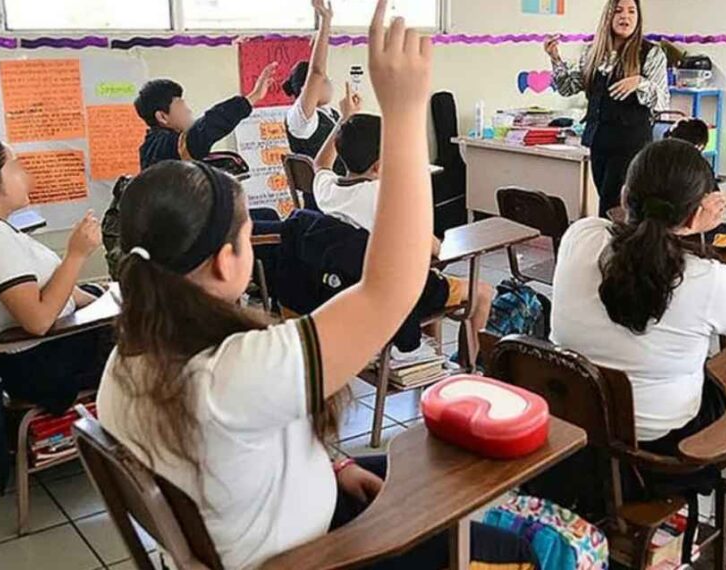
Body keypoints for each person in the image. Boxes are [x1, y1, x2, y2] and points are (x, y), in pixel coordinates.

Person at [96, 4, 536, 568]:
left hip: (285, 514)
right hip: (316, 554)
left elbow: (242, 450)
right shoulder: (234, 372)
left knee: (418, 467)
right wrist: (404, 111)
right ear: (224, 262)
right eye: (248, 236)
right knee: (526, 547)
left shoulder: (125, 360)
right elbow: (393, 287)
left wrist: (331, 467)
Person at [551, 139, 726, 555]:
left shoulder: (579, 235)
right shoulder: (707, 278)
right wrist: (702, 233)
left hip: (573, 428)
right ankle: (725, 526)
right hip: (660, 452)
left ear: (624, 196)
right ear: (697, 213)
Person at [0, 135, 109, 414]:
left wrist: (106, 297)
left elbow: (56, 288)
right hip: (46, 365)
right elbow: (38, 321)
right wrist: (77, 255)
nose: (26, 176)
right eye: (15, 168)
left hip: (57, 349)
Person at [311, 89, 496, 350]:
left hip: (349, 289)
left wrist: (345, 120)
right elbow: (435, 249)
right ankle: (470, 365)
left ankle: (433, 355)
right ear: (378, 166)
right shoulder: (388, 199)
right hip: (394, 294)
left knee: (430, 277)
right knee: (483, 292)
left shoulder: (328, 191)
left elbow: (320, 165)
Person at [544, 0, 669, 215]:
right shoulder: (593, 52)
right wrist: (555, 58)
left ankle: (613, 247)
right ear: (608, 16)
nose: (625, 17)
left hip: (630, 144)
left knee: (612, 208)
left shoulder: (651, 53)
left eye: (632, 12)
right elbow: (568, 88)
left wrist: (639, 82)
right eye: (618, 11)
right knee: (608, 202)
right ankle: (617, 245)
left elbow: (662, 101)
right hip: (599, 141)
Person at [135, 63, 278, 169]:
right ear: (162, 117)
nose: (188, 110)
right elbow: (207, 126)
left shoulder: (151, 145)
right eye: (180, 105)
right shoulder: (167, 145)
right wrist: (253, 97)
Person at [283, 0, 343, 162]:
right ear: (306, 88)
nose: (329, 83)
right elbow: (316, 72)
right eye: (325, 80)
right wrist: (326, 22)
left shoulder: (331, 113)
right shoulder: (300, 119)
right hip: (328, 184)